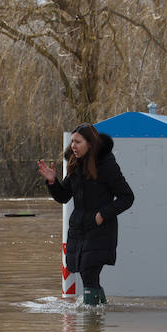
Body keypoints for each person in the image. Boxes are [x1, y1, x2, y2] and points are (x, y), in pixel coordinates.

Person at [38, 123, 134, 305]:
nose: (73, 145)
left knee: (89, 272)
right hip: (79, 230)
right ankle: (98, 316)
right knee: (87, 275)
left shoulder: (107, 166)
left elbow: (127, 197)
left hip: (100, 229)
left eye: (77, 142)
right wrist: (52, 181)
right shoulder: (75, 165)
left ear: (90, 143)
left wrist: (101, 215)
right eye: (72, 141)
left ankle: (91, 324)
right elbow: (63, 196)